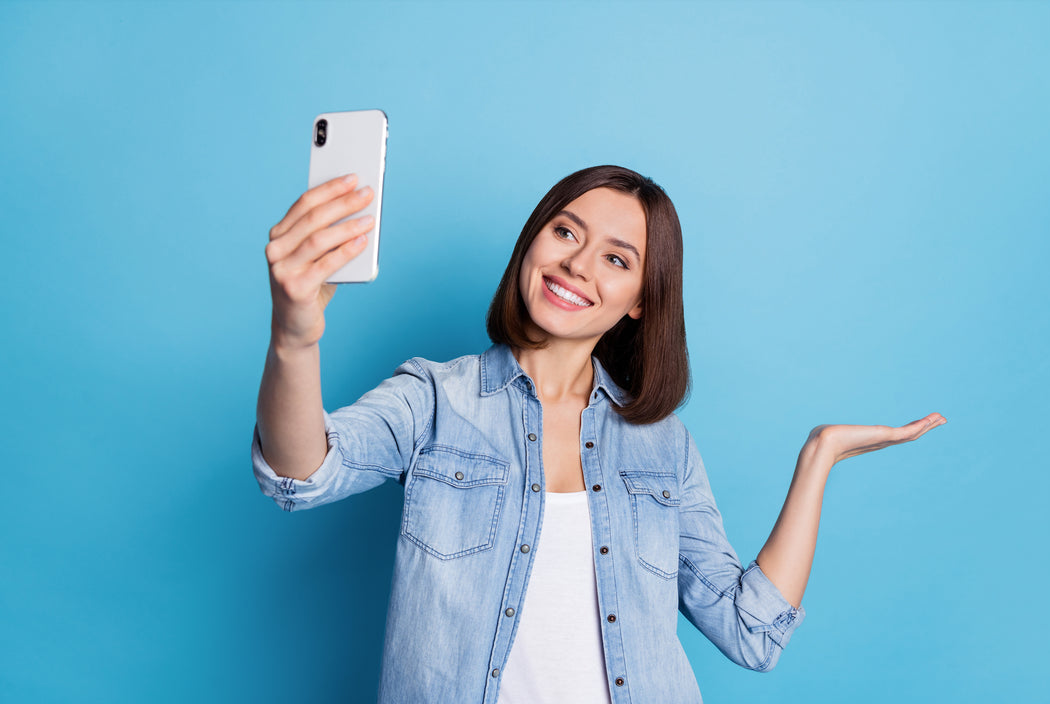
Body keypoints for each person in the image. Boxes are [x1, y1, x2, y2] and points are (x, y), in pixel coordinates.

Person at [252, 165, 946, 704]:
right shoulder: (437, 398)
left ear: (642, 299)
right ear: (533, 242)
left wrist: (818, 459)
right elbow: (299, 474)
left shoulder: (662, 446)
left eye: (617, 258)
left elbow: (749, 631)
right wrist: (294, 336)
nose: (579, 264)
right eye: (565, 232)